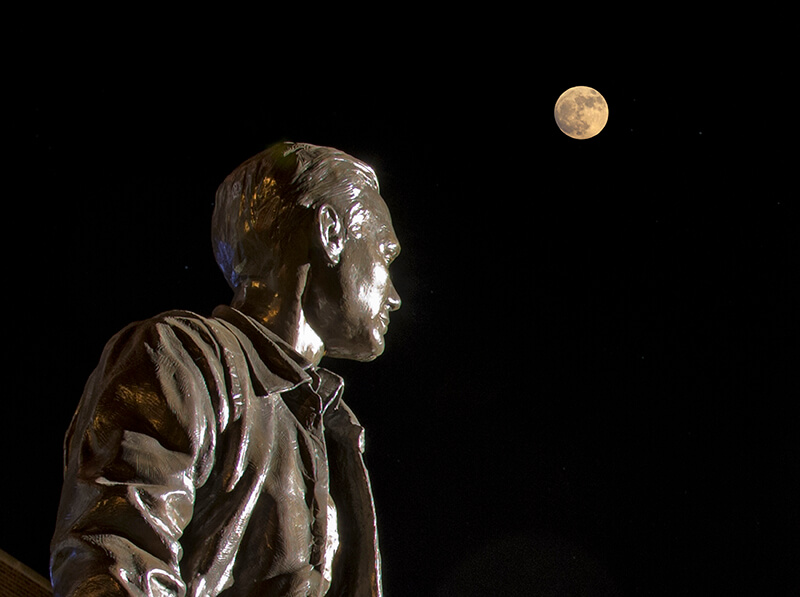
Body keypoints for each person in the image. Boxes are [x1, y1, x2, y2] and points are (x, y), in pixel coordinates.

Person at [50, 142, 402, 597]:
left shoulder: (334, 433)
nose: (394, 294)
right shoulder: (184, 358)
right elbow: (116, 559)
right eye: (385, 254)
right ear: (330, 232)